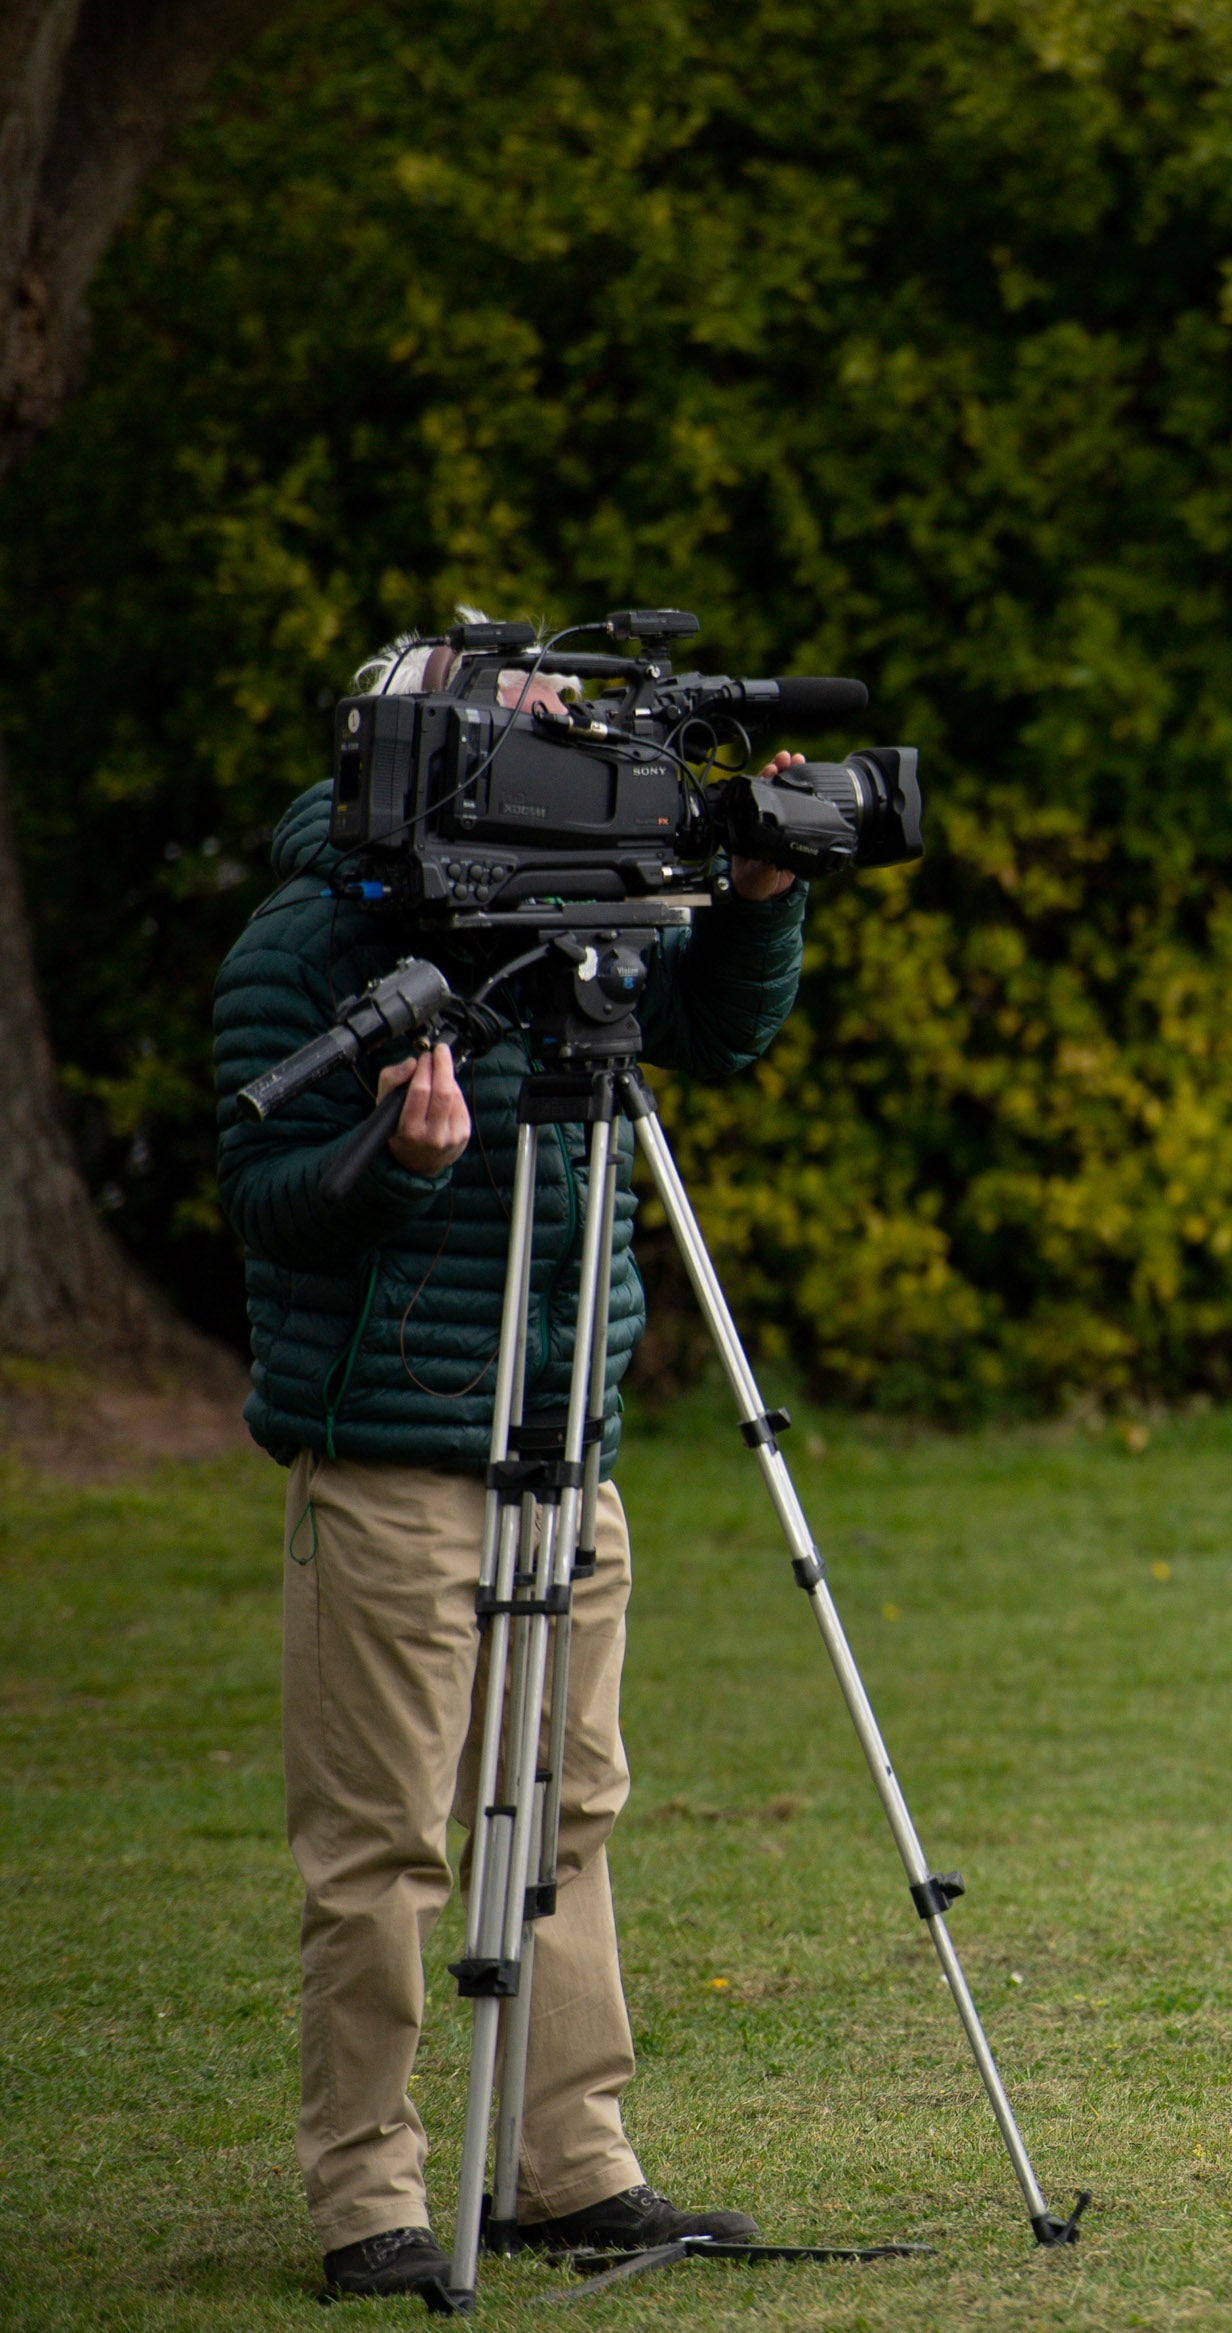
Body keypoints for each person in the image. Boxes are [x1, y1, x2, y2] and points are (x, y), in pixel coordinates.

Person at [215, 626, 809, 2300]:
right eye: (515, 738)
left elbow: (713, 1031)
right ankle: (372, 2195)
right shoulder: (306, 938)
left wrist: (758, 897)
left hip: (565, 1437)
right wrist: (393, 1169)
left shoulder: (580, 922)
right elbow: (259, 1194)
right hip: (394, 1452)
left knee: (571, 1806)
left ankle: (569, 2165)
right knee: (387, 1842)